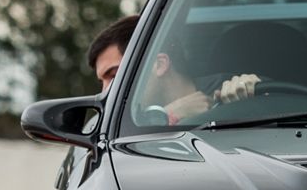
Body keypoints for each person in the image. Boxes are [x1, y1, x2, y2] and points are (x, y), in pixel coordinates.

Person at [85, 15, 257, 125]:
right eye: (103, 82)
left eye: (115, 76)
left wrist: (254, 93)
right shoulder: (118, 124)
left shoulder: (231, 91)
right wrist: (168, 117)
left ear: (159, 64)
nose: (104, 94)